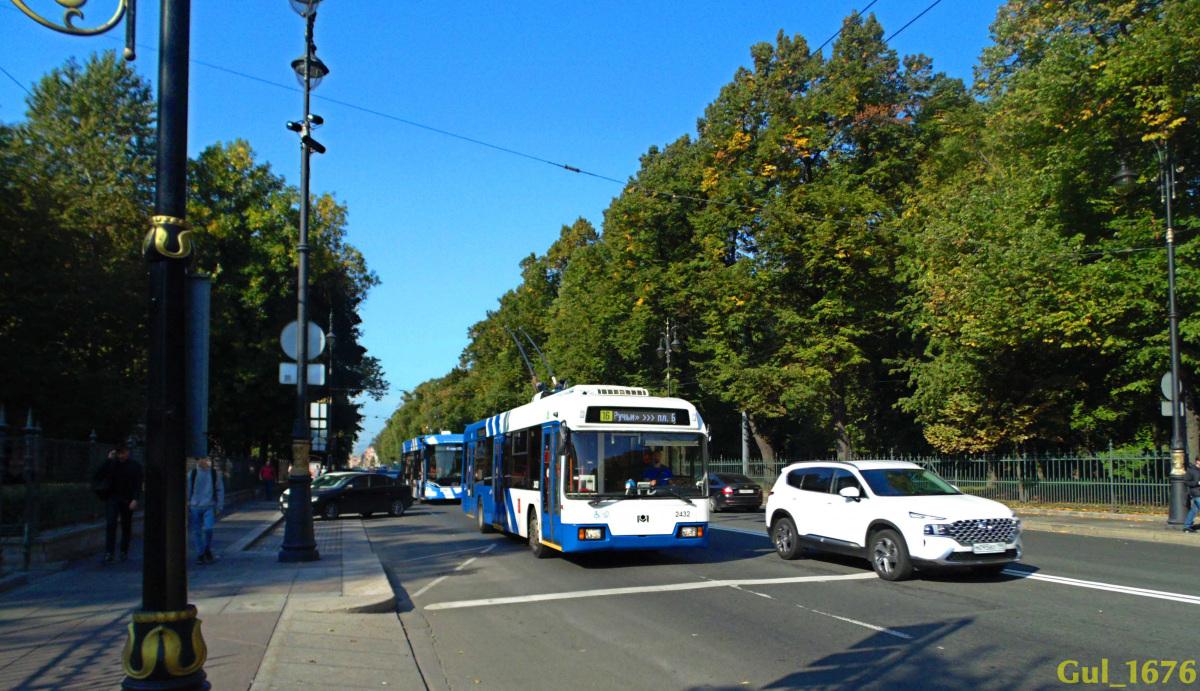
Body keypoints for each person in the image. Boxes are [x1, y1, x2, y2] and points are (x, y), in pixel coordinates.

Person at [96, 444, 143, 565]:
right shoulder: (112, 464)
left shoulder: (134, 466)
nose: (121, 455)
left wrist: (135, 499)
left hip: (127, 498)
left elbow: (139, 483)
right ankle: (109, 553)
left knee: (126, 525)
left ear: (127, 452)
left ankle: (123, 551)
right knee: (111, 523)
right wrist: (108, 459)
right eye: (119, 453)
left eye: (123, 452)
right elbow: (98, 474)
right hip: (113, 497)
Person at [187, 456, 225, 564]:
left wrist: (219, 507)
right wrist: (187, 502)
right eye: (202, 459)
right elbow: (188, 490)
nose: (205, 461)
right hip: (195, 506)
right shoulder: (193, 474)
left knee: (209, 529)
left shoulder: (213, 474)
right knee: (197, 532)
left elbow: (220, 490)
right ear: (198, 461)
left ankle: (207, 548)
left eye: (207, 459)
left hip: (209, 506)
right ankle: (200, 553)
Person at [1185, 456, 1200, 533]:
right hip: (1196, 492)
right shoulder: (1191, 470)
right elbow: (1186, 481)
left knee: (1194, 510)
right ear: (1197, 461)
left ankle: (1187, 526)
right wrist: (1197, 483)